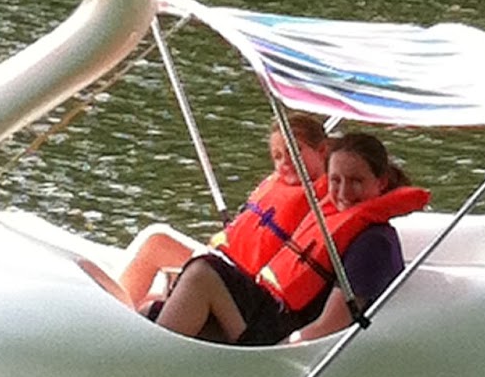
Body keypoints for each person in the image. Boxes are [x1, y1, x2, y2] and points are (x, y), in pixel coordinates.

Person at [152, 132, 429, 345]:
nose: (344, 192)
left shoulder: (373, 244)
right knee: (152, 310)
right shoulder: (330, 215)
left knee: (203, 273)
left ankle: (150, 365)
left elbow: (330, 326)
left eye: (356, 181)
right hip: (271, 312)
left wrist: (277, 356)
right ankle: (149, 351)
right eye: (335, 180)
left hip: (280, 336)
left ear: (381, 182)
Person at [113, 113, 331, 311]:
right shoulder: (281, 185)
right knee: (148, 289)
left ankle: (112, 313)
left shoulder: (323, 198)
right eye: (277, 156)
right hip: (223, 263)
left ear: (322, 150)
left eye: (295, 150)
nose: (285, 162)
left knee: (156, 241)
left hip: (242, 283)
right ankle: (122, 308)